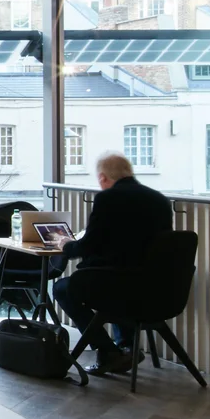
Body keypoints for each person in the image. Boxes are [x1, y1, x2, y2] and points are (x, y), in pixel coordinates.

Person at [52, 151, 172, 375]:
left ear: (103, 178)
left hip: (118, 285)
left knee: (62, 288)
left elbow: (89, 245)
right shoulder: (160, 200)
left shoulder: (107, 199)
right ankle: (126, 346)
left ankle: (107, 351)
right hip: (158, 289)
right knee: (118, 279)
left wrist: (66, 245)